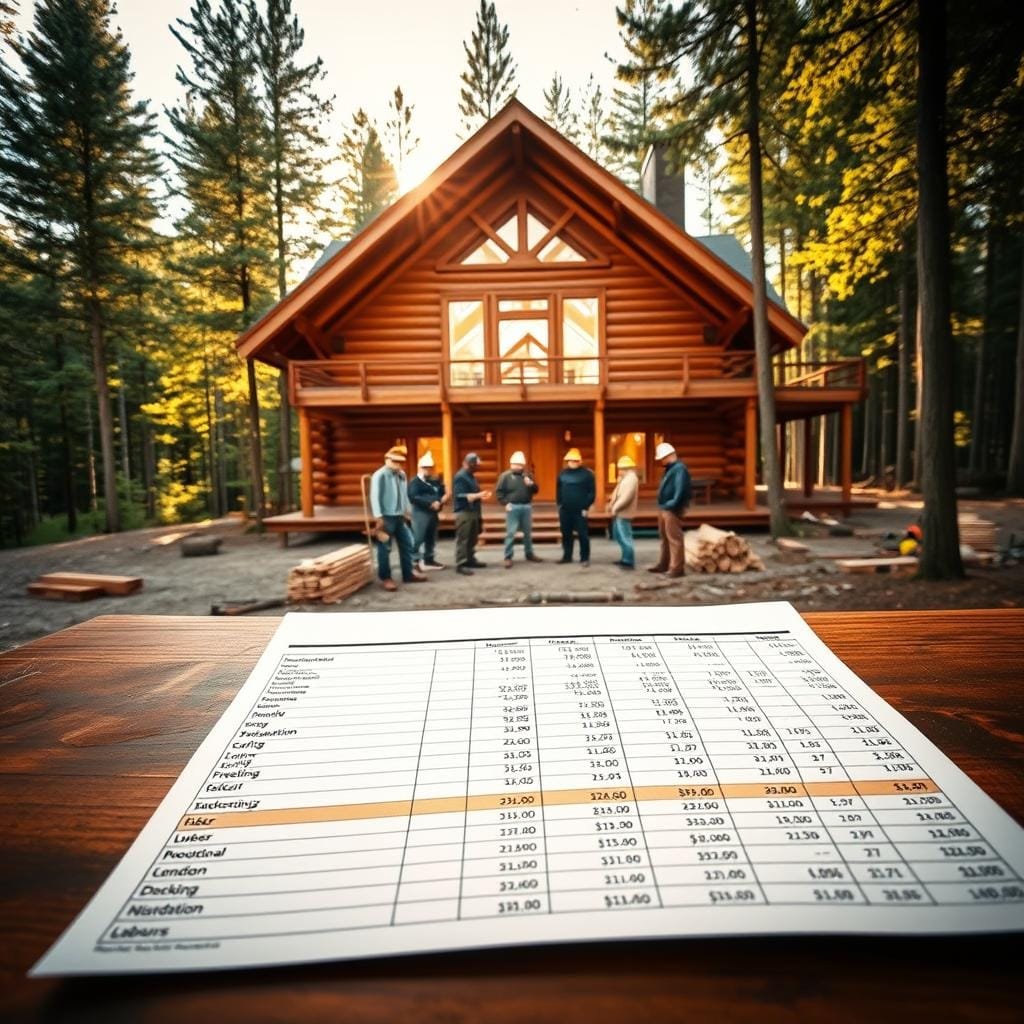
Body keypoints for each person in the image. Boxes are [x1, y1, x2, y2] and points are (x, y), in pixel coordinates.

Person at [368, 445, 428, 592]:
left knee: (408, 543)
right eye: (394, 461)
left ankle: (408, 574)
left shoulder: (401, 474)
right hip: (386, 517)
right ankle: (386, 577)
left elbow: (404, 493)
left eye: (400, 462)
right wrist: (378, 516)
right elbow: (374, 496)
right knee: (385, 548)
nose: (397, 464)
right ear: (387, 460)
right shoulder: (379, 475)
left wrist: (407, 510)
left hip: (399, 516)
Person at [647, 441, 692, 577]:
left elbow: (680, 489)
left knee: (674, 538)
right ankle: (664, 564)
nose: (661, 460)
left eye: (662, 458)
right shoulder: (671, 468)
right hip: (665, 507)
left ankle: (677, 569)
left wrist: (672, 504)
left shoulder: (679, 469)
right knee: (665, 538)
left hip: (671, 509)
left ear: (669, 455)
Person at [495, 450, 543, 569]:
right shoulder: (505, 476)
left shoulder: (528, 476)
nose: (517, 467)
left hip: (526, 506)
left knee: (527, 533)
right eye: (515, 464)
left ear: (523, 465)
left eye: (519, 465)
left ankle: (529, 553)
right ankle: (508, 556)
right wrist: (505, 503)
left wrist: (531, 484)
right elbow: (499, 492)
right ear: (511, 464)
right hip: (513, 507)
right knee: (511, 533)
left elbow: (536, 490)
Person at [452, 452, 491, 575]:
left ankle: (470, 559)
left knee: (472, 537)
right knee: (463, 538)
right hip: (464, 511)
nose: (477, 467)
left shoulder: (471, 476)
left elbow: (473, 494)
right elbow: (459, 496)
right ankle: (461, 563)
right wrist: (479, 495)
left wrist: (480, 496)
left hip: (473, 511)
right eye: (475, 465)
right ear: (469, 464)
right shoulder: (460, 477)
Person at [556, 447, 596, 566]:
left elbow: (592, 492)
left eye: (575, 460)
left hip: (580, 510)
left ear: (579, 461)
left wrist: (586, 506)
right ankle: (567, 556)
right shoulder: (562, 474)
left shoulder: (587, 474)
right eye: (570, 460)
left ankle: (584, 558)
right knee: (566, 534)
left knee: (583, 534)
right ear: (567, 461)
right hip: (565, 510)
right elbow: (558, 490)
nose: (572, 462)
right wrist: (559, 504)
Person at [408, 451, 447, 572]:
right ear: (420, 468)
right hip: (420, 513)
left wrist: (440, 501)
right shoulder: (415, 482)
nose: (427, 471)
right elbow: (414, 497)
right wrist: (430, 503)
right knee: (418, 538)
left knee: (431, 537)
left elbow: (440, 493)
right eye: (425, 468)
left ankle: (429, 559)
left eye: (430, 468)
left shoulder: (434, 481)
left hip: (433, 513)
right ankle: (413, 561)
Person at [607, 455, 639, 569]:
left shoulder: (631, 479)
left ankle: (628, 561)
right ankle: (625, 558)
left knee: (625, 537)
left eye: (621, 469)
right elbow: (618, 493)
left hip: (624, 512)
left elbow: (626, 497)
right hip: (620, 512)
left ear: (627, 468)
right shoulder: (625, 479)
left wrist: (615, 508)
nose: (619, 471)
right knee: (620, 536)